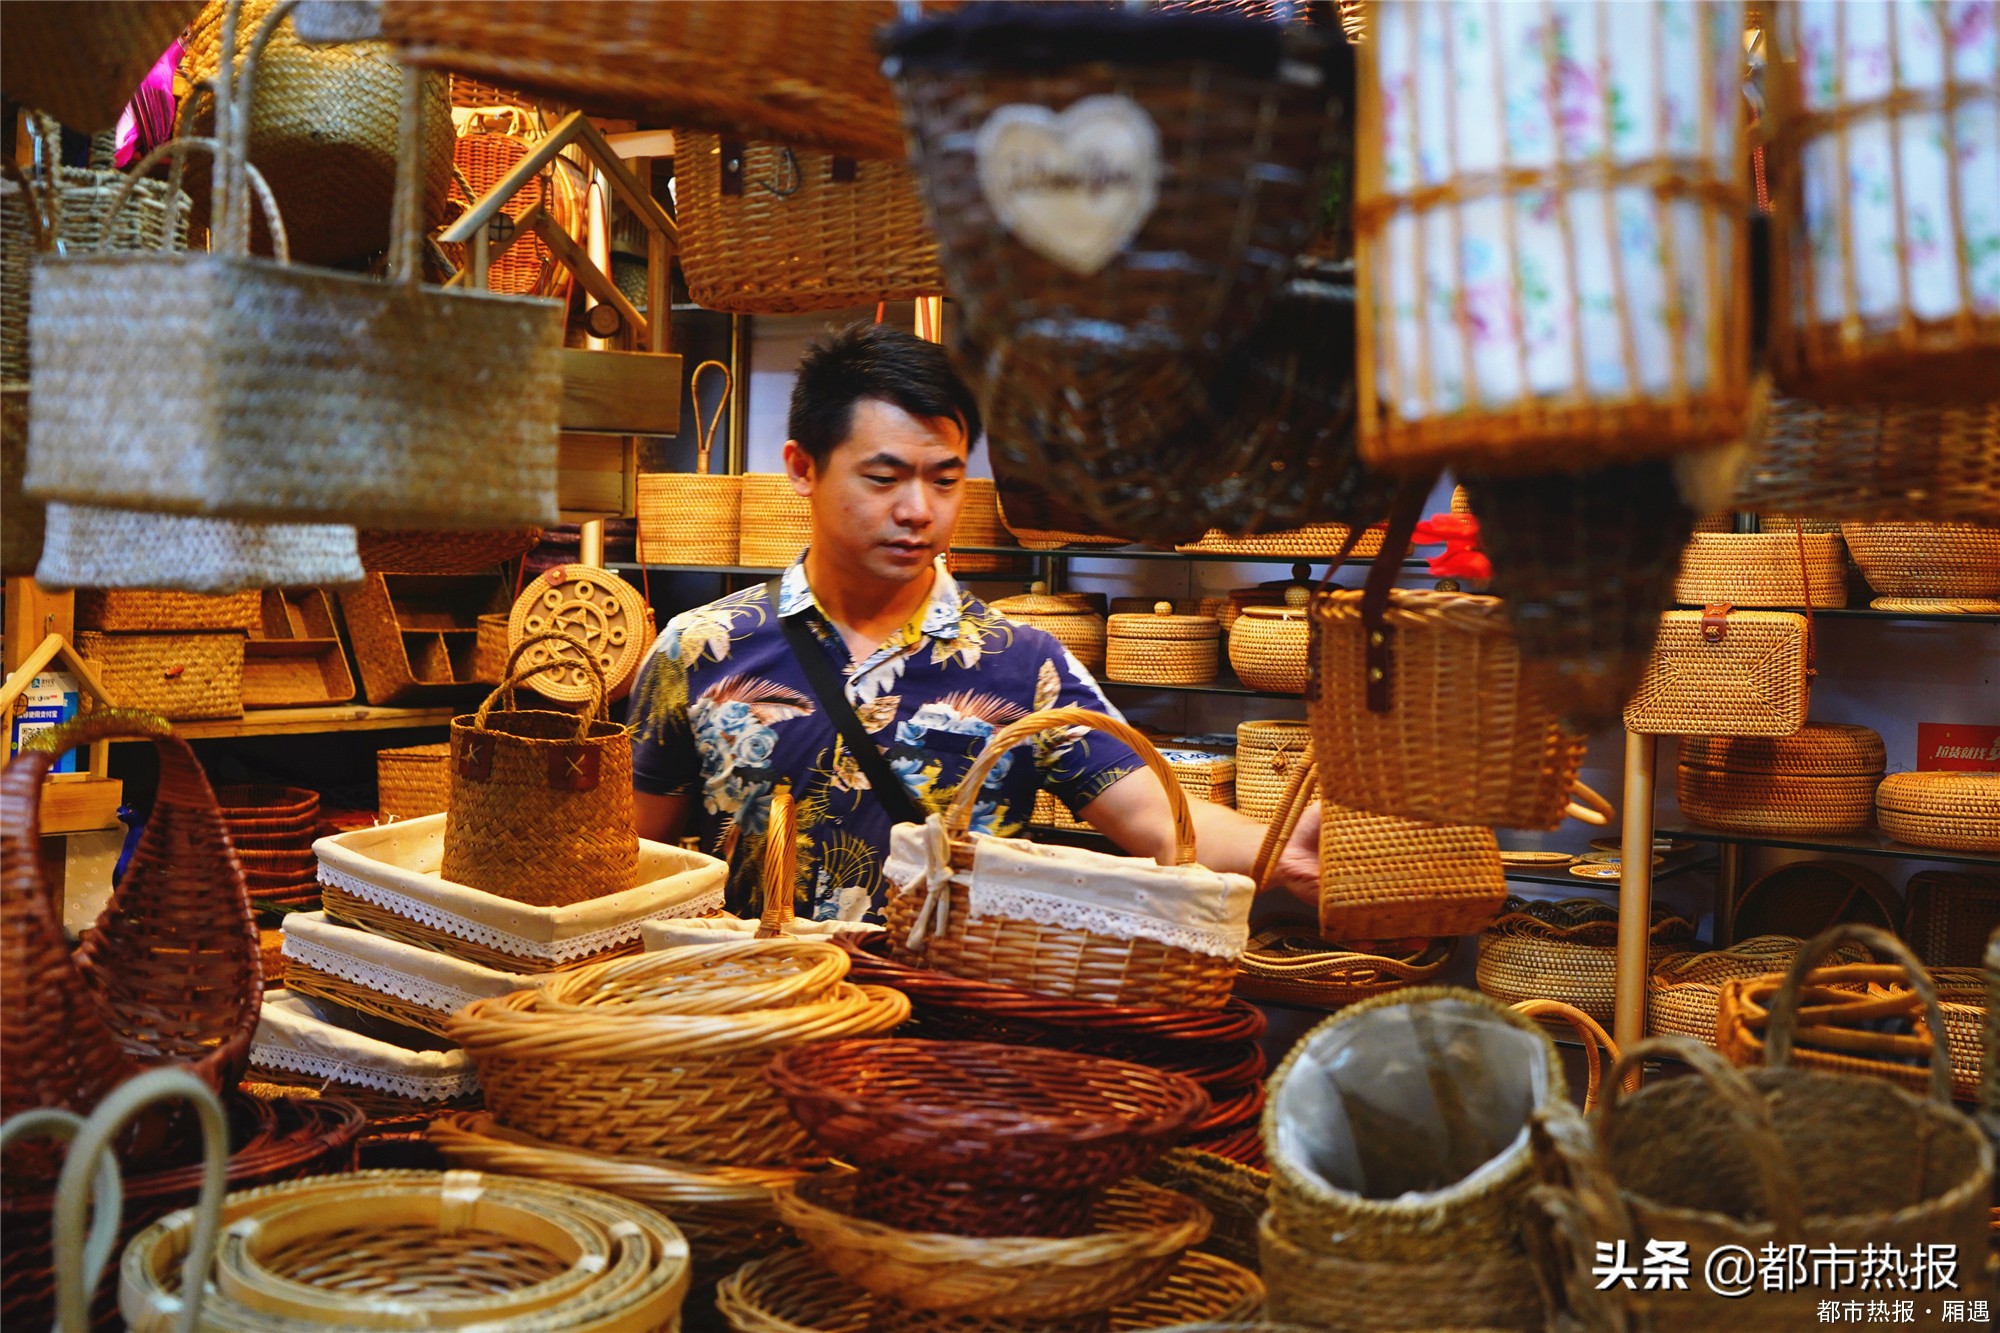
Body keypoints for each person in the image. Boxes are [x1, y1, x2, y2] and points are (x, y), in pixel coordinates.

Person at [629, 322, 1321, 920]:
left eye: (944, 478)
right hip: (762, 1023)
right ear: (803, 467)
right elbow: (635, 858)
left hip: (952, 1048)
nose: (918, 509)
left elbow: (1159, 818)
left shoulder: (1022, 663)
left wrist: (1279, 849)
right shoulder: (703, 648)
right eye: (884, 477)